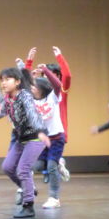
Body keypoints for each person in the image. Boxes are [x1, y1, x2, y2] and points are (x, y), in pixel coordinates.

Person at [0, 67, 50, 218]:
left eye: (7, 79)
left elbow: (31, 113)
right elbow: (2, 112)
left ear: (17, 82)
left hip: (36, 137)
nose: (3, 83)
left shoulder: (25, 96)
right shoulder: (8, 99)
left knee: (23, 170)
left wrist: (40, 131)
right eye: (2, 80)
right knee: (8, 167)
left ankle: (28, 206)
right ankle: (29, 189)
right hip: (21, 138)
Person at [31, 66, 65, 209]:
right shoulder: (32, 101)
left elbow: (57, 84)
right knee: (37, 166)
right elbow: (23, 87)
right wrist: (31, 74)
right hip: (42, 140)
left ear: (42, 89)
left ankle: (54, 198)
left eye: (35, 86)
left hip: (56, 138)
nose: (32, 88)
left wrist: (45, 70)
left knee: (51, 167)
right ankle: (58, 163)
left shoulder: (53, 97)